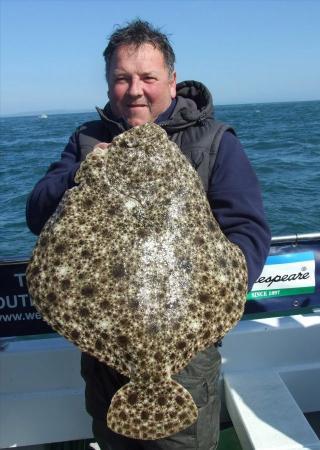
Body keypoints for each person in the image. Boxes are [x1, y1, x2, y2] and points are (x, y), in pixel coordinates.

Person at [26, 19, 271, 450]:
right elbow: (36, 214)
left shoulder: (215, 142)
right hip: (105, 354)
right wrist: (83, 172)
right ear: (108, 84)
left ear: (172, 82)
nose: (135, 89)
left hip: (187, 357)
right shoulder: (87, 140)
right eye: (122, 78)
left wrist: (205, 308)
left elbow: (247, 231)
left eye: (148, 77)